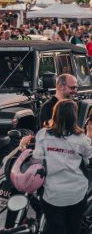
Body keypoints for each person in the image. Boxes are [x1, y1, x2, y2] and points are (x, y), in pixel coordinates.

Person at [32, 100, 92, 234]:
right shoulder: (81, 139)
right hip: (77, 192)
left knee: (55, 228)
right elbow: (88, 156)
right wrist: (89, 131)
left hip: (52, 192)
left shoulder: (42, 135)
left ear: (55, 114)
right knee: (73, 228)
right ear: (74, 117)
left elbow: (37, 159)